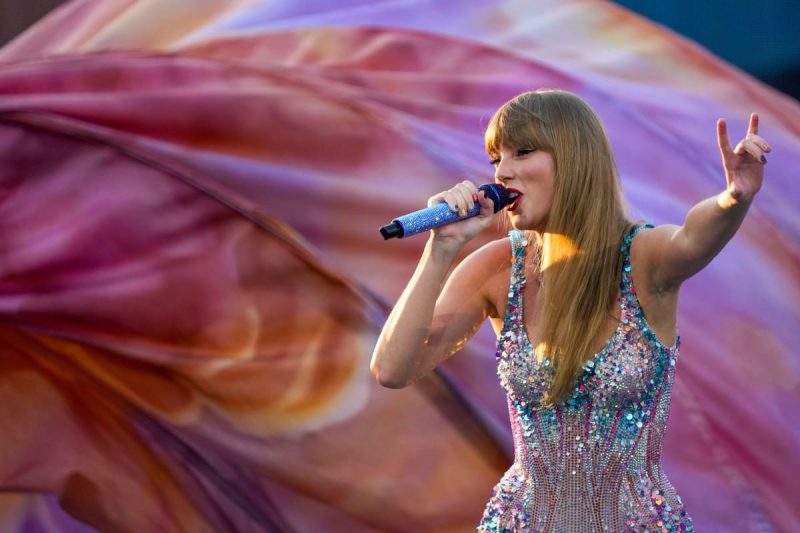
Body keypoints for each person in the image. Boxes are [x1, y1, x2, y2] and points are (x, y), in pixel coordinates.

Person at [369, 89, 769, 532]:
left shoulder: (643, 257)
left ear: (575, 156)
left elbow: (694, 238)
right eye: (495, 159)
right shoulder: (497, 267)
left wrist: (734, 197)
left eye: (522, 152)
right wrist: (440, 249)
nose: (502, 172)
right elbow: (392, 368)